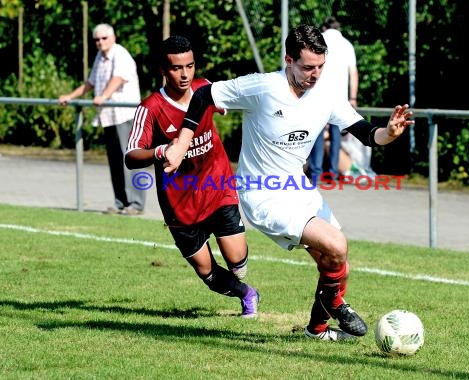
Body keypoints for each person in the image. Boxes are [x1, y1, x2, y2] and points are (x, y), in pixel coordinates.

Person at [163, 25, 413, 340]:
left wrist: (389, 133)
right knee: (337, 245)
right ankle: (336, 303)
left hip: (299, 190)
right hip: (262, 195)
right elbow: (203, 95)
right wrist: (182, 142)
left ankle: (317, 331)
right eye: (308, 67)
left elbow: (366, 132)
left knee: (337, 264)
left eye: (321, 66)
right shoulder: (263, 88)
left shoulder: (325, 95)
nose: (315, 74)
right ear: (288, 60)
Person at [124, 35, 259, 318]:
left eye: (190, 66)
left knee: (237, 259)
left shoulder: (206, 89)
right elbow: (131, 155)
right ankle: (247, 294)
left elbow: (242, 101)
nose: (185, 74)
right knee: (207, 273)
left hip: (216, 186)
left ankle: (240, 276)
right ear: (163, 70)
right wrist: (161, 150)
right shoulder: (150, 109)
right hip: (179, 204)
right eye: (176, 68)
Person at [59, 23, 146, 216]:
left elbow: (118, 79)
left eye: (104, 38)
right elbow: (90, 83)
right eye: (97, 39)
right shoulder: (100, 56)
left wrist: (104, 96)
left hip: (126, 115)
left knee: (131, 158)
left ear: (113, 37)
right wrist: (70, 96)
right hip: (109, 116)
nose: (100, 42)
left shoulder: (120, 54)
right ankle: (120, 202)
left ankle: (137, 203)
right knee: (115, 160)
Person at [306, 16, 360, 181]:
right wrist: (353, 98)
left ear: (324, 28)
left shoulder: (319, 42)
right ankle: (333, 173)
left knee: (317, 134)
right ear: (339, 29)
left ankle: (315, 173)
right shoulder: (347, 45)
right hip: (340, 98)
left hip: (318, 94)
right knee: (336, 135)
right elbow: (353, 73)